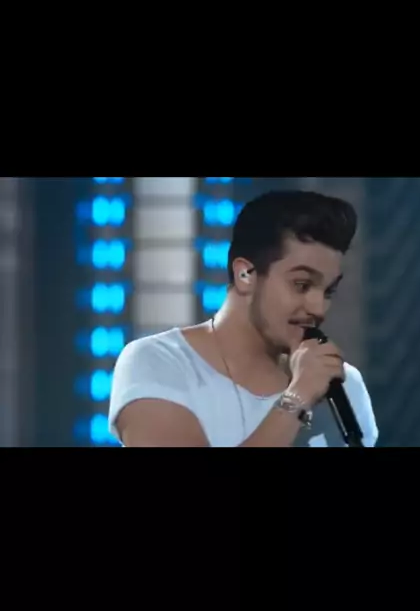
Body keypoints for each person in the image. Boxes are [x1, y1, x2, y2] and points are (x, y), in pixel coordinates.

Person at [108, 189, 378, 447]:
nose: (318, 308)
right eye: (302, 285)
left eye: (328, 291)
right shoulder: (158, 363)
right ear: (245, 275)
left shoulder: (342, 385)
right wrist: (297, 397)